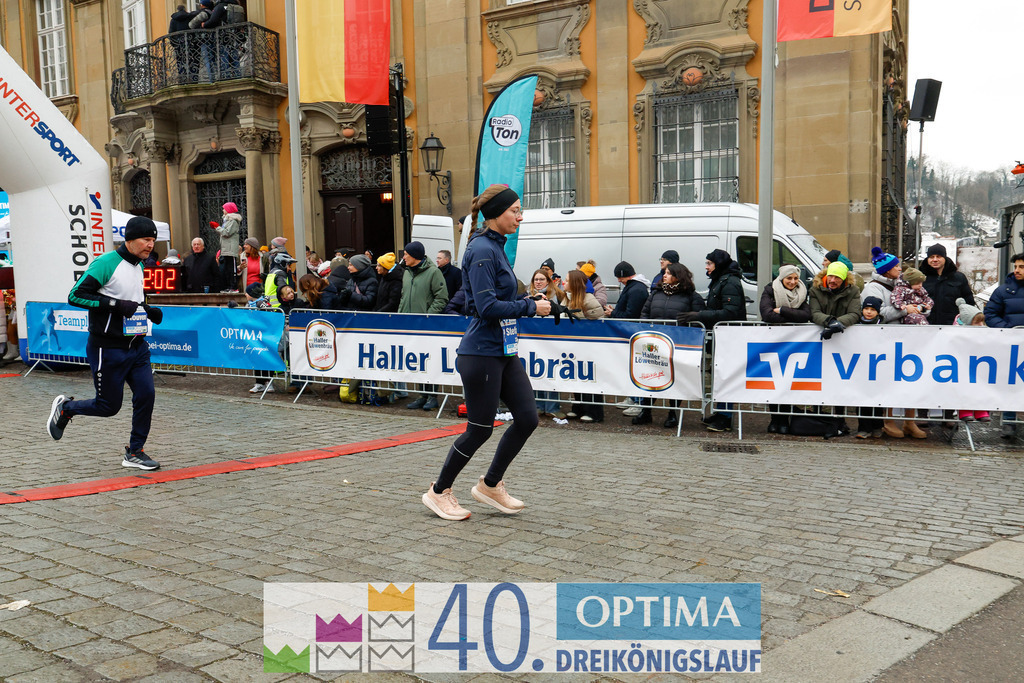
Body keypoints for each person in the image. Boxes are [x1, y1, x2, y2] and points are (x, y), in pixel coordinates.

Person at [422, 185, 552, 521]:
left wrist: (527, 305)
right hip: (480, 352)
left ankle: (490, 485)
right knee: (479, 428)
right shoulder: (481, 249)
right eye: (515, 211)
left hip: (503, 351)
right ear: (496, 213)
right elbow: (484, 306)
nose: (520, 217)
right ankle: (439, 491)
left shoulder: (495, 247)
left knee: (527, 418)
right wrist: (530, 306)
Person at [46, 217, 164, 470]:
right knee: (108, 406)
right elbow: (75, 296)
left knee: (146, 395)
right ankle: (66, 408)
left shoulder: (139, 265)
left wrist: (148, 310)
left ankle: (135, 451)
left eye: (153, 240)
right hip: (107, 347)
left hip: (137, 346)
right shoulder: (106, 262)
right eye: (146, 239)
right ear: (130, 239)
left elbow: (129, 299)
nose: (150, 245)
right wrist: (115, 306)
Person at [862, 247, 926, 438]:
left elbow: (919, 301)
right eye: (896, 266)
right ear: (886, 269)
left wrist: (919, 308)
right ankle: (888, 421)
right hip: (886, 341)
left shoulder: (903, 284)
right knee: (889, 381)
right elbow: (877, 313)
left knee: (910, 379)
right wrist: (905, 310)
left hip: (907, 339)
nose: (900, 268)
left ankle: (909, 421)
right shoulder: (872, 288)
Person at [678, 249, 745, 432]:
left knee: (725, 375)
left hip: (728, 337)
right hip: (719, 336)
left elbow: (730, 312)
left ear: (718, 264)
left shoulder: (730, 282)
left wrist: (699, 315)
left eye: (709, 263)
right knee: (718, 374)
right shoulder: (720, 279)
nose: (706, 267)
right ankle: (721, 412)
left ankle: (725, 417)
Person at [632, 262, 704, 428]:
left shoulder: (691, 297)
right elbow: (645, 313)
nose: (664, 275)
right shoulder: (656, 293)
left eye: (669, 273)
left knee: (674, 378)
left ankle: (672, 413)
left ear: (679, 276)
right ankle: (646, 411)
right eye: (664, 272)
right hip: (654, 344)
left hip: (676, 345)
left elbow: (697, 320)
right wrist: (645, 330)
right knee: (650, 376)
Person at [759, 264, 810, 433]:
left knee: (789, 381)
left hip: (795, 343)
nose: (793, 282)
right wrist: (791, 316)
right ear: (782, 278)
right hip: (774, 341)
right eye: (789, 278)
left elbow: (806, 316)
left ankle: (786, 420)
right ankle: (775, 419)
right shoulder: (770, 290)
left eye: (796, 278)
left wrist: (782, 310)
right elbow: (766, 314)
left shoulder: (803, 291)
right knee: (775, 381)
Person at [399, 240, 449, 411]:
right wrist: (400, 316)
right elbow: (403, 296)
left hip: (427, 325)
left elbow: (441, 297)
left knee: (430, 360)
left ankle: (432, 396)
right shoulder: (406, 273)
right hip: (409, 324)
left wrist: (429, 315)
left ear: (414, 256)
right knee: (417, 361)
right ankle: (422, 395)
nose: (403, 257)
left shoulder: (434, 272)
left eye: (406, 254)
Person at [984, 252, 1024, 439]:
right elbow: (990, 314)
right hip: (1011, 345)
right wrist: (1007, 329)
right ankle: (1009, 422)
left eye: (1021, 267)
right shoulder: (1003, 291)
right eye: (1015, 267)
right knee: (1011, 382)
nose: (1017, 270)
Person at [563, 269, 605, 424]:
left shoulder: (589, 299)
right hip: (574, 346)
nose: (564, 283)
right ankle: (578, 407)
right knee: (576, 377)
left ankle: (594, 412)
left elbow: (598, 320)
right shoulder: (567, 298)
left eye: (567, 280)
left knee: (590, 378)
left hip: (589, 347)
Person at [954, 297, 990, 423]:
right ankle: (965, 410)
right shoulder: (955, 334)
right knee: (964, 387)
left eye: (982, 322)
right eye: (977, 323)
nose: (981, 326)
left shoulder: (986, 334)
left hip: (978, 364)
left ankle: (981, 409)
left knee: (981, 386)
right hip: (962, 365)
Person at [921, 244, 975, 326]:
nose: (935, 260)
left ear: (944, 258)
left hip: (952, 326)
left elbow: (969, 303)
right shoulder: (920, 278)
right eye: (931, 257)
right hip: (925, 325)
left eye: (938, 256)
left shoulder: (958, 278)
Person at [853, 296, 885, 438]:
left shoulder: (883, 325)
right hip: (860, 365)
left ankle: (877, 426)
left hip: (878, 366)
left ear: (878, 312)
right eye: (866, 308)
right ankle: (864, 428)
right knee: (861, 398)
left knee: (878, 398)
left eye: (872, 309)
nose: (869, 312)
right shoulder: (856, 324)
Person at [213, 201, 241, 292]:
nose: (222, 210)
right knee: (226, 269)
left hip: (231, 249)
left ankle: (233, 287)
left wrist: (217, 227)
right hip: (226, 249)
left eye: (224, 208)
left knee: (231, 269)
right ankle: (228, 286)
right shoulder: (227, 220)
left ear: (228, 210)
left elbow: (227, 232)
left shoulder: (233, 221)